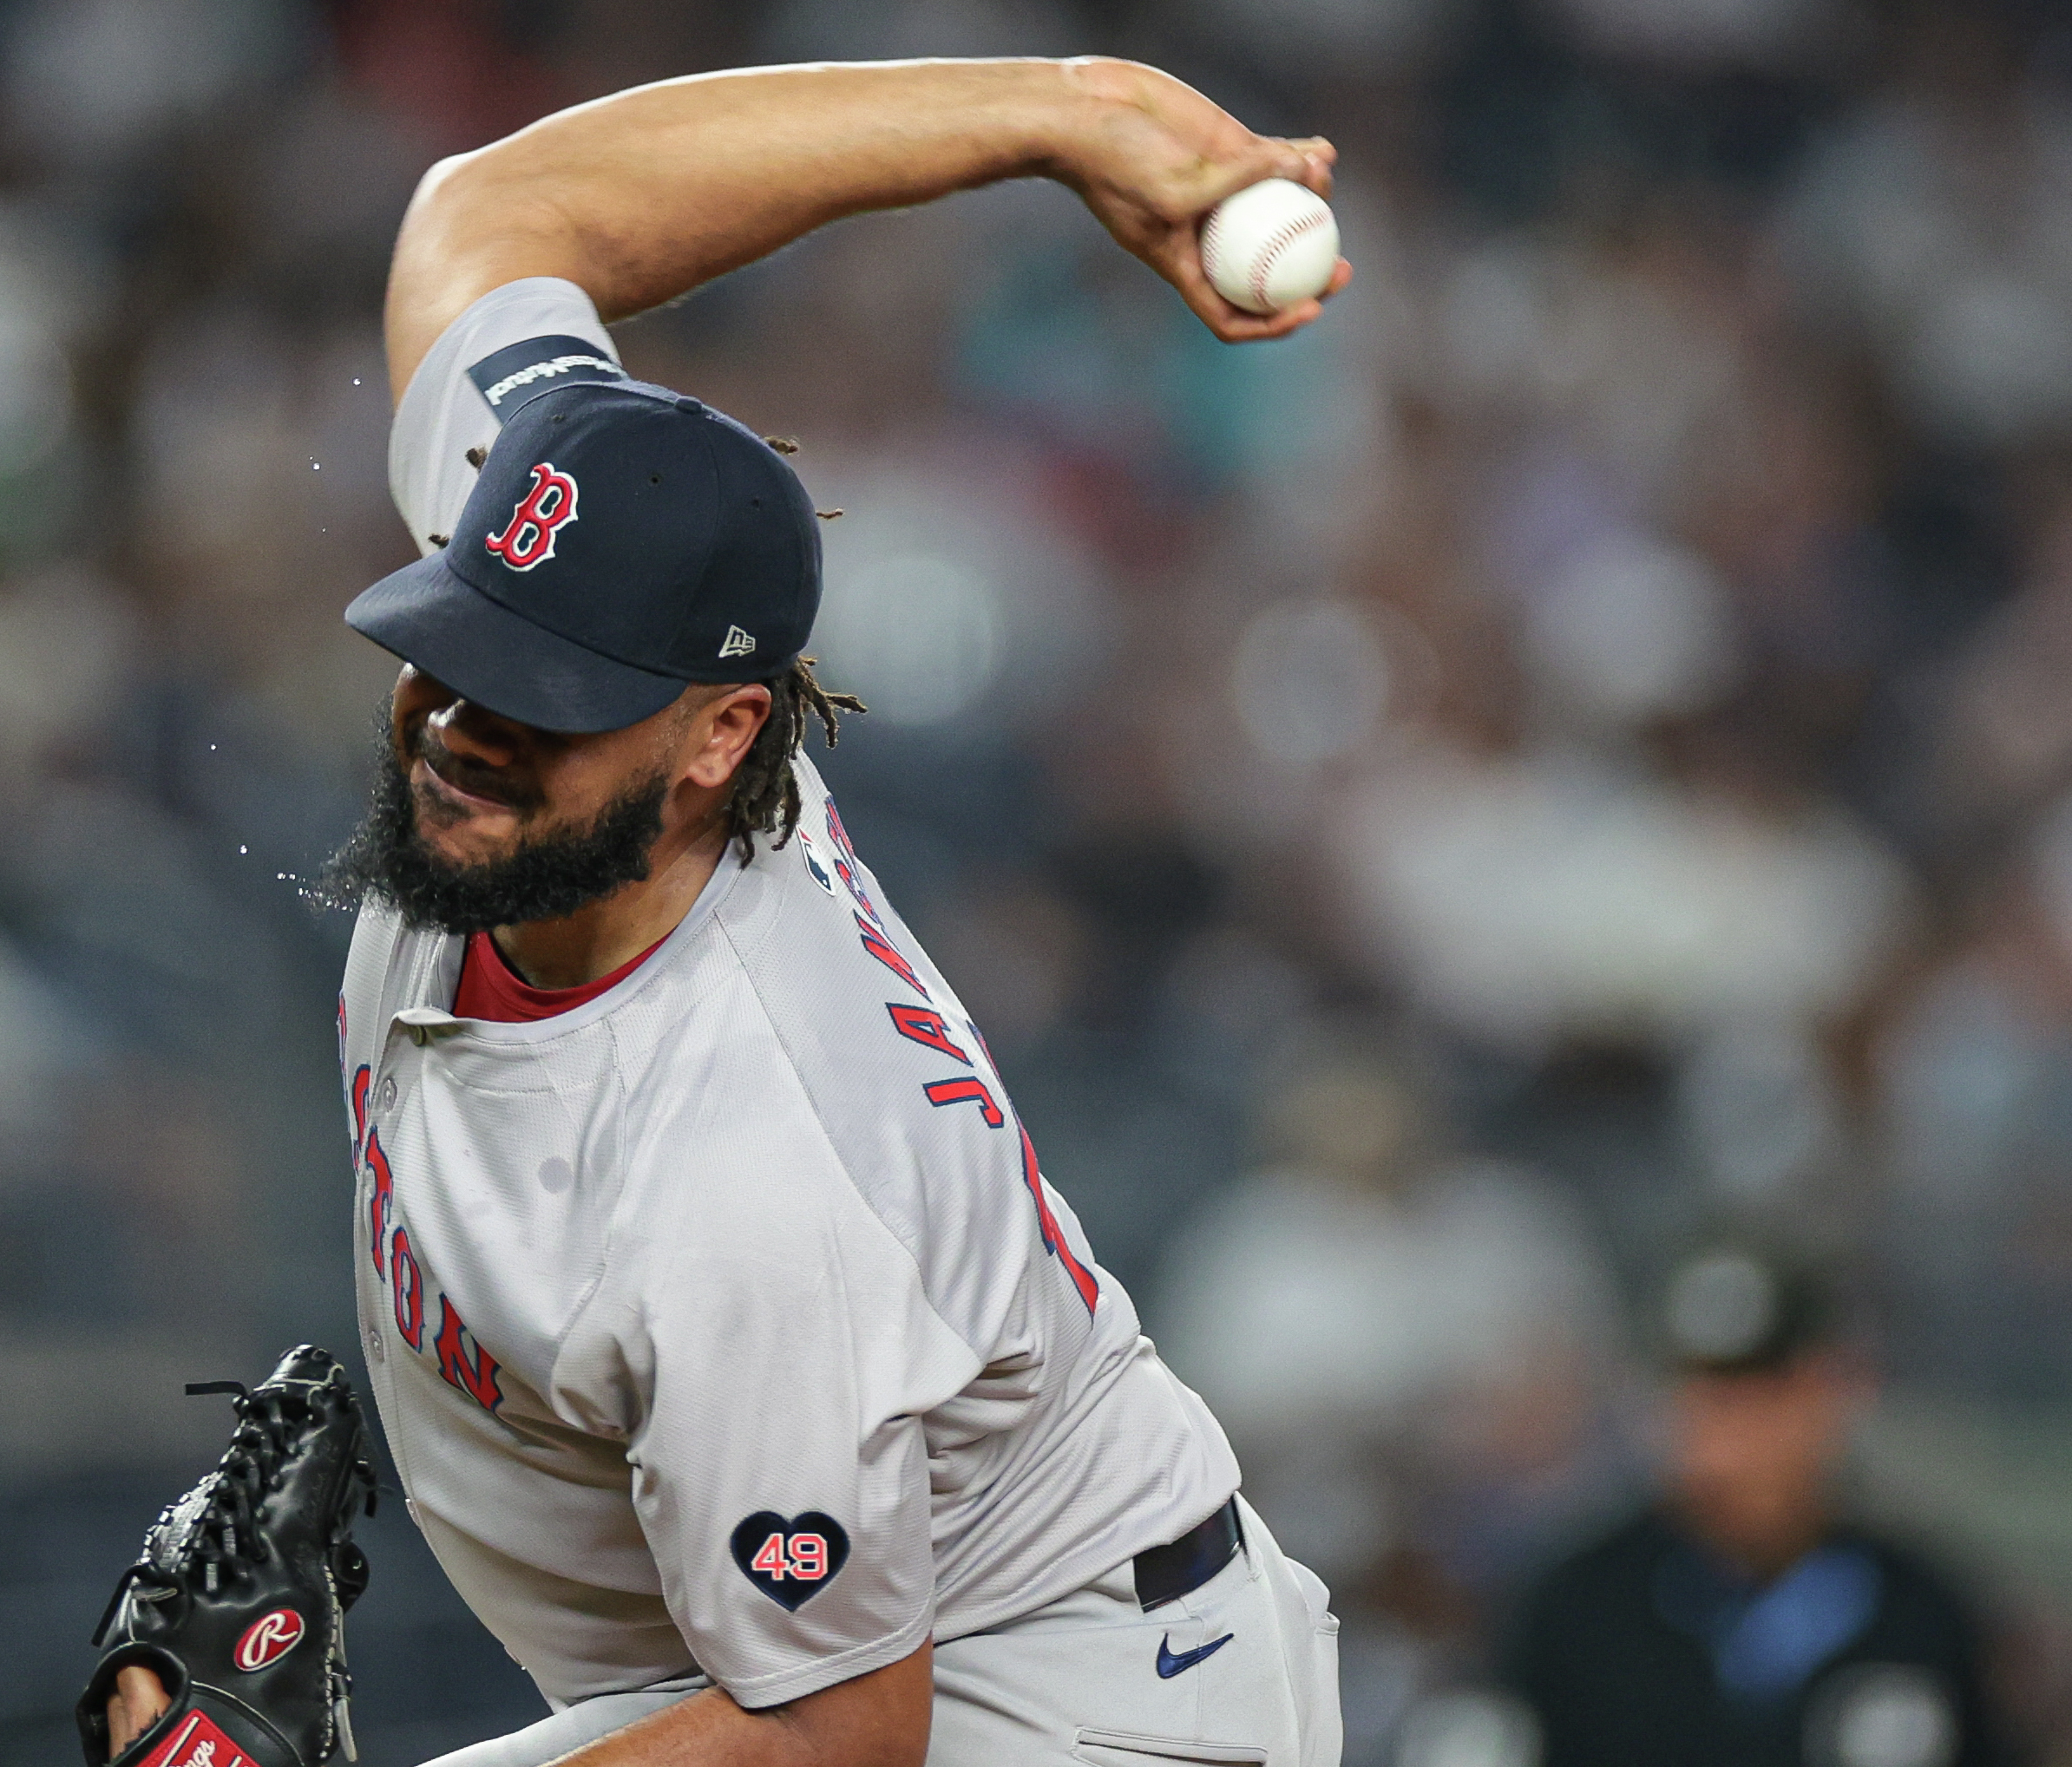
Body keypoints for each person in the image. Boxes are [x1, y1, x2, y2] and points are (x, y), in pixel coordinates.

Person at [107, 57, 1351, 1767]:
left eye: (539, 695)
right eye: (456, 647)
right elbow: (500, 215)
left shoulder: (748, 1181)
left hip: (1060, 1708)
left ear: (718, 736)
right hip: (811, 1659)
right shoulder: (588, 613)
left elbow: (838, 1734)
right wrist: (1052, 117)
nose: (465, 726)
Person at [1502, 1240, 2016, 1767]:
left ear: (1832, 1395)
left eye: (1759, 1404)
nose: (1725, 1449)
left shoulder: (1920, 1618)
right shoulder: (1575, 1613)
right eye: (1702, 1404)